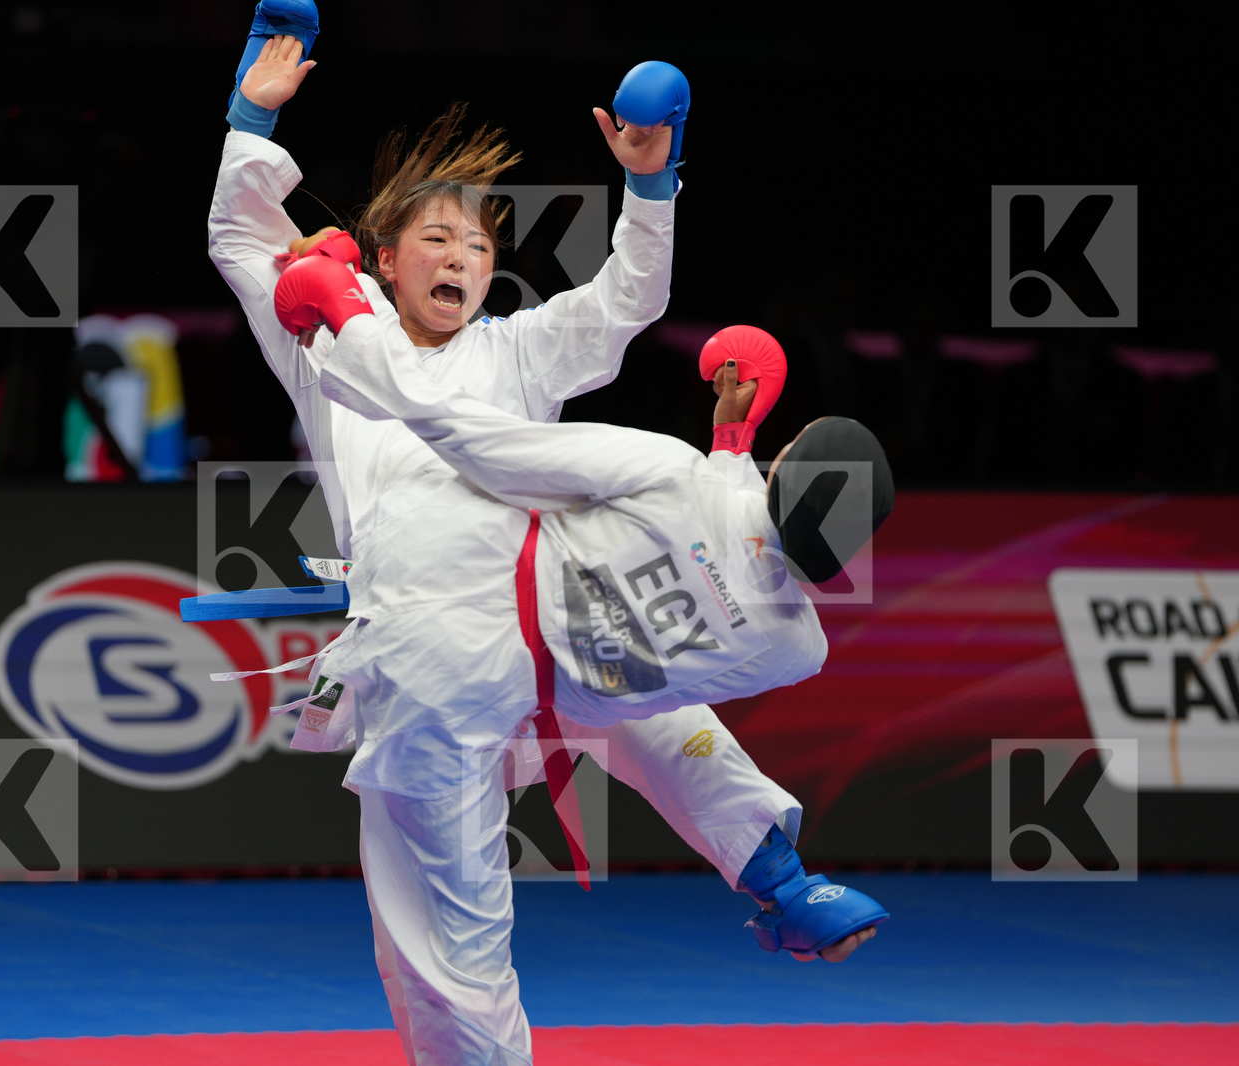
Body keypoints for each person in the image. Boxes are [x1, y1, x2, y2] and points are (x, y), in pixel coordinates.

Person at [206, 12, 879, 1062]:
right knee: (451, 930)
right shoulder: (325, 343)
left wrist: (650, 186)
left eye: (477, 245)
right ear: (384, 257)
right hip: (430, 653)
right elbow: (243, 242)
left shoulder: (515, 352)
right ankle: (768, 883)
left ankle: (782, 878)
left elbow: (626, 301)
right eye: (436, 238)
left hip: (537, 620)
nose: (461, 257)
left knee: (650, 687)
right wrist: (252, 115)